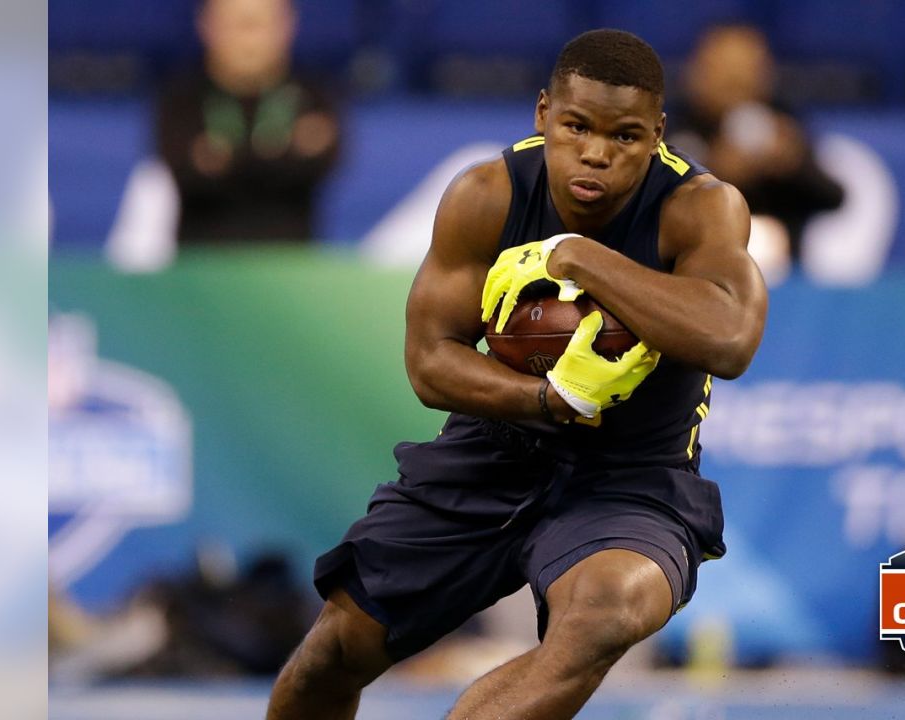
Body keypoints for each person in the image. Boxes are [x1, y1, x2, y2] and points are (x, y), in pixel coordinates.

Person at [266, 29, 768, 720]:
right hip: (492, 453)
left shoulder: (701, 206)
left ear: (657, 135)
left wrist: (579, 257)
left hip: (633, 477)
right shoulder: (486, 194)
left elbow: (733, 338)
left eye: (624, 136)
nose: (596, 152)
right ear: (542, 115)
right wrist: (547, 398)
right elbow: (429, 360)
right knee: (332, 654)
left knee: (606, 612)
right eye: (576, 126)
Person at [155, 0, 340, 244]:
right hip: (201, 266)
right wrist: (282, 153)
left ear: (287, 25)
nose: (247, 39)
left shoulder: (314, 96)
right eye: (235, 24)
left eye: (257, 24)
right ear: (206, 25)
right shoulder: (181, 99)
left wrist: (224, 158)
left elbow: (324, 163)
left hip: (290, 265)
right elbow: (187, 172)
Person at [667, 24, 844, 269]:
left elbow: (834, 197)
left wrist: (793, 164)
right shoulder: (673, 130)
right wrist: (714, 172)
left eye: (745, 71)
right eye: (725, 71)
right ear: (696, 74)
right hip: (695, 278)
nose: (736, 82)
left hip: (784, 283)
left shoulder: (783, 124)